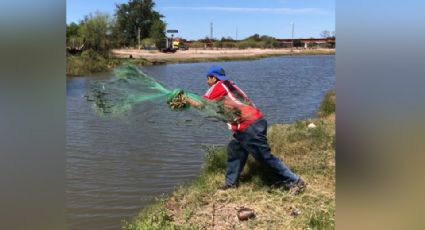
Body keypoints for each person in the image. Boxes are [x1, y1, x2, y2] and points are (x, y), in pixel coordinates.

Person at [186, 65, 305, 193]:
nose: (207, 81)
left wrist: (184, 98)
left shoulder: (218, 86)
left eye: (208, 78)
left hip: (249, 125)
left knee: (264, 157)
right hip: (253, 122)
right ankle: (231, 183)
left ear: (213, 78)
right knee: (235, 150)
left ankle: (294, 180)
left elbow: (202, 104)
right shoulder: (229, 85)